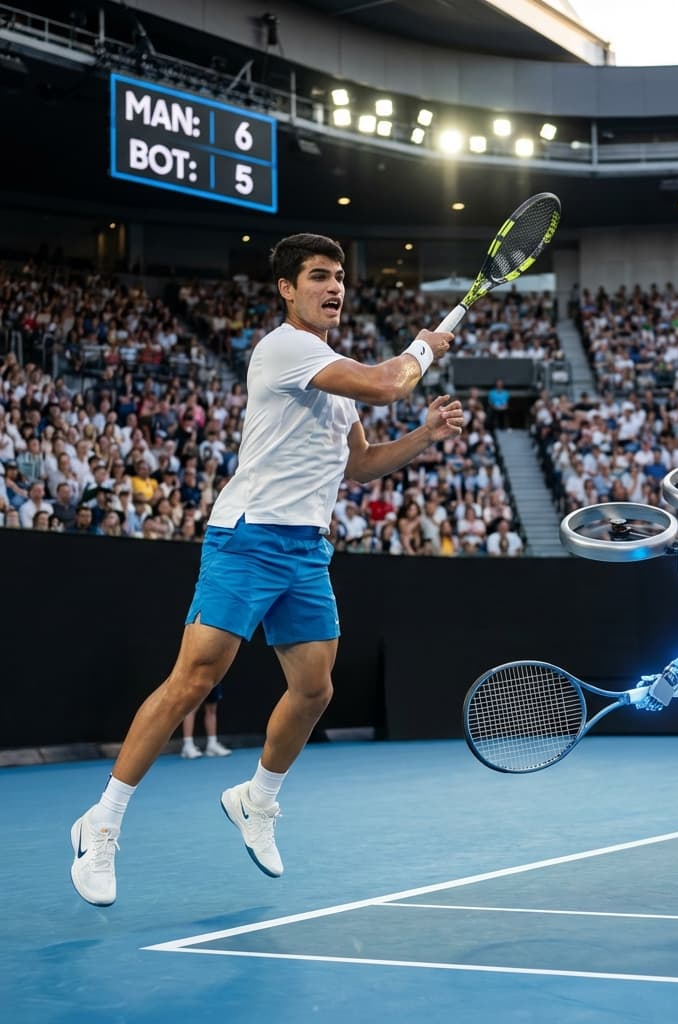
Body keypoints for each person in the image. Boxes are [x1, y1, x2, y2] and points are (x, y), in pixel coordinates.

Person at [69, 233, 461, 907]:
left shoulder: (331, 374)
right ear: (287, 288)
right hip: (247, 539)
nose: (334, 287)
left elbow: (359, 465)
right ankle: (102, 821)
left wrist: (424, 436)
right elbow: (388, 380)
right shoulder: (286, 349)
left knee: (315, 691)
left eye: (339, 276)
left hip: (306, 550)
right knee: (194, 679)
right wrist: (424, 347)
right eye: (318, 277)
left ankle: (256, 800)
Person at [180, 684, 231, 758]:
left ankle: (212, 744)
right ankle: (187, 746)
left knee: (211, 709)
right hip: (197, 677)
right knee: (192, 708)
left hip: (213, 678)